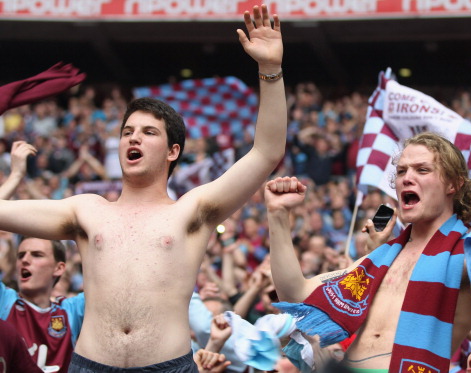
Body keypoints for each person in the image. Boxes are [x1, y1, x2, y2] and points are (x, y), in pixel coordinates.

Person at [0, 4, 286, 371]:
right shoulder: (86, 210)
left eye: (149, 132)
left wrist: (270, 69)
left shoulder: (192, 210)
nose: (133, 137)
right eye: (127, 132)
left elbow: (266, 152)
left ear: (173, 151)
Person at [265, 132, 471, 372]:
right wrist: (278, 215)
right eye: (401, 171)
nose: (407, 178)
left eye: (422, 170)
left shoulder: (470, 252)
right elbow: (295, 294)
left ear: (454, 183)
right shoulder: (380, 258)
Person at [0, 237, 85, 373]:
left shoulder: (71, 311)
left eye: (37, 255)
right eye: (21, 255)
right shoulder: (4, 300)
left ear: (59, 268)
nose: (25, 260)